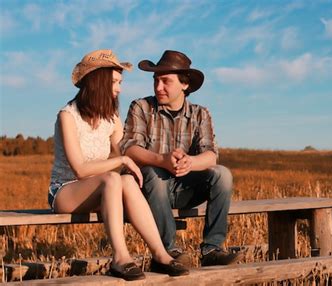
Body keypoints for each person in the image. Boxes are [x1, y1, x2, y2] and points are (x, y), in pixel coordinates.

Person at [48, 49, 189, 281]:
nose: (119, 88)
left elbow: (124, 153)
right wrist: (123, 161)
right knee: (113, 178)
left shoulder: (111, 119)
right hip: (65, 191)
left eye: (120, 82)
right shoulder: (68, 116)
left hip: (101, 189)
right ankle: (121, 257)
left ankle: (161, 254)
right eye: (115, 82)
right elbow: (80, 170)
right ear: (99, 81)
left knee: (123, 180)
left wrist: (154, 164)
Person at [120, 50, 242, 267]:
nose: (158, 87)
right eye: (156, 81)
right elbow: (129, 148)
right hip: (147, 191)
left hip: (184, 188)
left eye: (165, 81)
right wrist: (161, 159)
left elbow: (211, 154)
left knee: (222, 175)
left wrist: (190, 162)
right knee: (154, 173)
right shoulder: (141, 107)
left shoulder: (200, 114)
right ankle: (168, 251)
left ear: (184, 85)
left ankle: (212, 249)